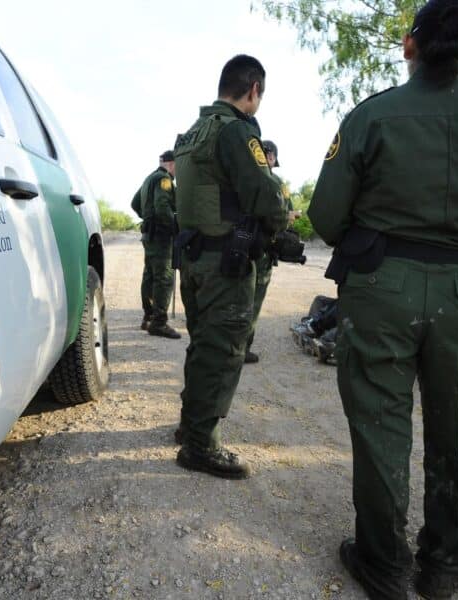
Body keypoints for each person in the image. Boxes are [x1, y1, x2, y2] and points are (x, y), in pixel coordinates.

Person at [307, 2, 458, 598]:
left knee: (382, 430)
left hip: (382, 286)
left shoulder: (370, 116)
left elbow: (326, 217)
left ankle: (383, 565)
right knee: (453, 432)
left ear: (409, 45)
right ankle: (444, 567)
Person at [172, 54, 286, 479]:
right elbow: (264, 195)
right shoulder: (237, 131)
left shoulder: (193, 132)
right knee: (223, 350)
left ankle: (191, 425)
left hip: (196, 257)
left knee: (203, 344)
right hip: (226, 262)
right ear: (253, 90)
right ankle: (201, 446)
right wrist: (279, 227)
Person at [244, 139, 299, 363]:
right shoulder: (276, 182)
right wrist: (289, 218)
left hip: (238, 245)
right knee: (254, 299)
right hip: (262, 249)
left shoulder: (243, 178)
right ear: (272, 158)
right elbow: (283, 216)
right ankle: (242, 348)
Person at [130, 150, 181, 339]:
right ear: (172, 163)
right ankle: (159, 322)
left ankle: (148, 317)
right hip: (161, 236)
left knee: (150, 275)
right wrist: (176, 228)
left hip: (150, 235)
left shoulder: (149, 178)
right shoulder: (164, 180)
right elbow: (163, 207)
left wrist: (147, 217)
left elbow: (135, 203)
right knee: (163, 278)